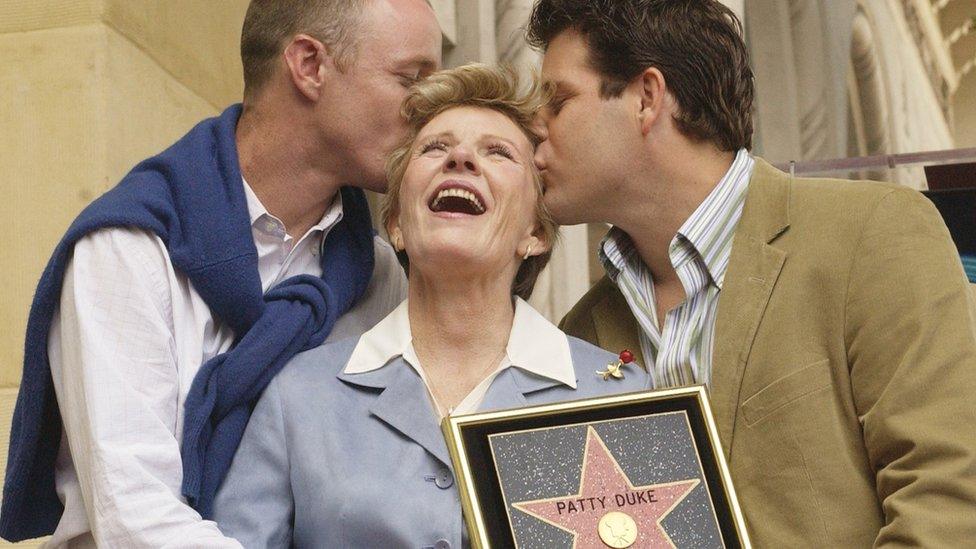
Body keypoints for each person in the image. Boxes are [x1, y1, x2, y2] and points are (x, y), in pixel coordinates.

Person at [527, 0, 976, 546]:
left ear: (646, 98)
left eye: (558, 101)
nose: (535, 129)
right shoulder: (579, 334)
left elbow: (947, 502)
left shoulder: (873, 236)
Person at [0, 0, 441, 546]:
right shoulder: (127, 249)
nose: (430, 111)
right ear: (309, 65)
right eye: (411, 79)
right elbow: (136, 518)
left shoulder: (377, 276)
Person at [211, 63, 651, 548]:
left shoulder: (619, 396)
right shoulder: (299, 393)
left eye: (498, 152)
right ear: (396, 222)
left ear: (536, 234)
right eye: (435, 148)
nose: (460, 157)